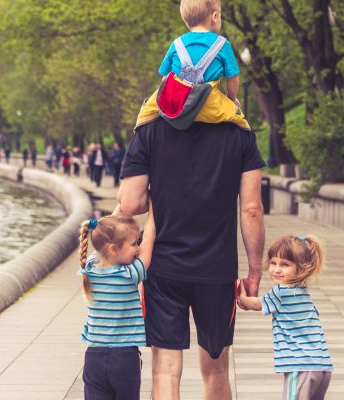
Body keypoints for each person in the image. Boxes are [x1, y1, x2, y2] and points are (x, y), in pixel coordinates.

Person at [118, 68, 265, 400]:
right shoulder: (238, 132)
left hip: (163, 267)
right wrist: (255, 271)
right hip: (218, 268)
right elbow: (252, 208)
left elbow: (129, 202)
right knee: (215, 369)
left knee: (165, 370)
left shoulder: (150, 129)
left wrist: (161, 196)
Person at [238, 235, 333, 400]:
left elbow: (254, 304)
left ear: (302, 268)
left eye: (285, 265)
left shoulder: (281, 292)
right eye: (273, 263)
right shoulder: (303, 293)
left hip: (300, 366)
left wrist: (241, 293)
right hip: (322, 366)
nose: (276, 269)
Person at [78, 204, 156, 400]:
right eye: (133, 244)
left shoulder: (90, 268)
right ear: (113, 249)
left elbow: (103, 237)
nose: (137, 248)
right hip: (124, 359)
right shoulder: (129, 274)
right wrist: (154, 209)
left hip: (93, 358)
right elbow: (149, 240)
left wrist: (122, 205)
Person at [134, 0, 249, 132]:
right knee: (242, 124)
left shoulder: (176, 44)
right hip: (210, 106)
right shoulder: (223, 45)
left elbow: (165, 79)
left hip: (179, 104)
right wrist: (232, 99)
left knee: (145, 114)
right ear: (215, 17)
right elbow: (233, 78)